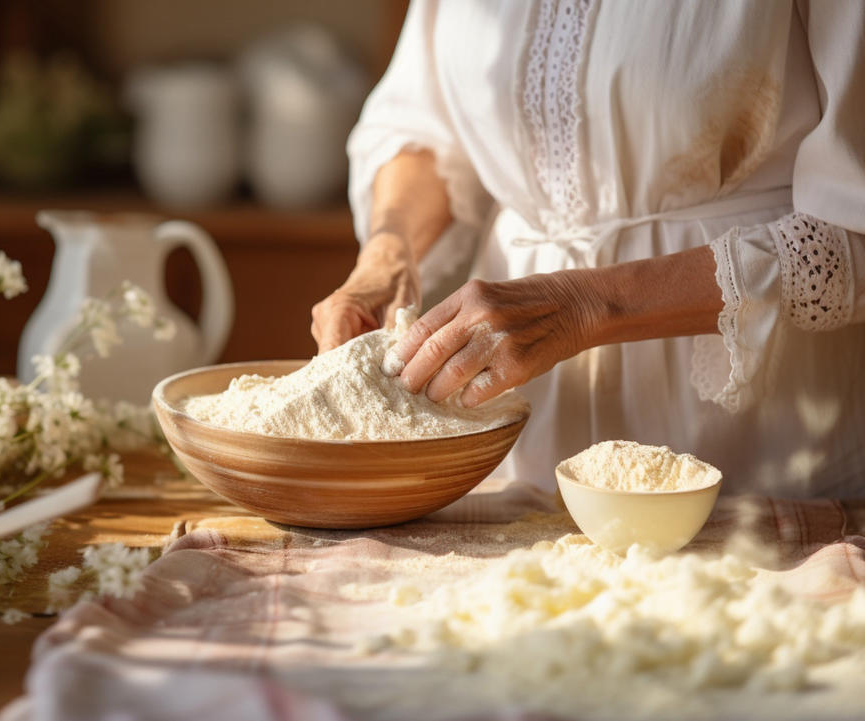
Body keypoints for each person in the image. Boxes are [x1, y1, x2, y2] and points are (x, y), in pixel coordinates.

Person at [311, 0, 865, 497]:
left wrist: (586, 304)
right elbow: (426, 127)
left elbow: (854, 230)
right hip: (521, 413)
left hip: (762, 428)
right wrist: (388, 252)